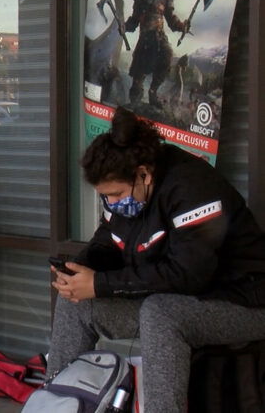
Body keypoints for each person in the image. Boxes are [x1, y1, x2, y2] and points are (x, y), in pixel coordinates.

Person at [48, 107, 265, 412]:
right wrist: (78, 272)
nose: (110, 203)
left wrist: (100, 283)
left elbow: (189, 275)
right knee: (77, 305)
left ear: (144, 174)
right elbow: (107, 242)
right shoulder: (127, 195)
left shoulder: (192, 186)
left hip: (245, 302)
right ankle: (56, 403)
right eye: (104, 197)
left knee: (160, 313)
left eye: (115, 194)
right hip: (180, 299)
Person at [124, 0, 190, 107]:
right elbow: (135, 16)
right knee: (138, 74)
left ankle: (153, 93)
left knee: (167, 56)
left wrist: (182, 26)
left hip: (159, 35)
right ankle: (135, 98)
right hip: (146, 34)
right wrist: (126, 26)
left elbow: (170, 17)